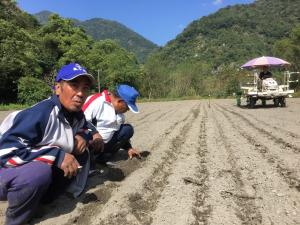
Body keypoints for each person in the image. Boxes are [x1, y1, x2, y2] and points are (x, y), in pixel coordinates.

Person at [0, 63, 100, 225]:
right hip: (5, 170)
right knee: (38, 172)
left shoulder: (77, 115)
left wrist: (83, 135)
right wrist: (56, 155)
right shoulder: (42, 113)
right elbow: (5, 152)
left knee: (80, 152)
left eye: (85, 88)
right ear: (58, 88)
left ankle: (42, 200)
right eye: (74, 85)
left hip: (25, 167)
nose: (81, 93)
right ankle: (16, 220)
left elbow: (84, 128)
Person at [82, 84, 141, 164]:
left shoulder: (119, 114)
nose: (127, 110)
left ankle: (101, 158)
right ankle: (88, 161)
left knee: (127, 129)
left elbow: (116, 132)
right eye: (127, 107)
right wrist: (94, 133)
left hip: (104, 145)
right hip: (89, 142)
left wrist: (129, 148)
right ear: (119, 101)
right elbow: (81, 119)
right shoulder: (98, 101)